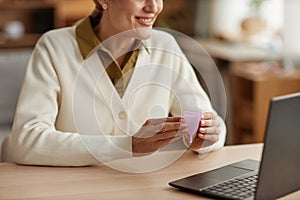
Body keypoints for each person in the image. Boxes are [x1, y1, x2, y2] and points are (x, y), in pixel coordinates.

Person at [4, 0, 226, 166]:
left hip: (134, 186)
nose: (154, 7)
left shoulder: (165, 46)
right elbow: (27, 141)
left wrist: (207, 137)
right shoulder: (54, 46)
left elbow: (207, 120)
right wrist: (126, 145)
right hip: (62, 186)